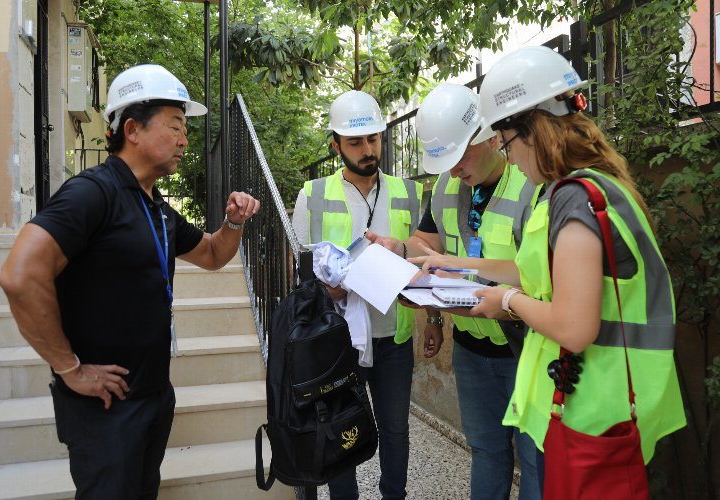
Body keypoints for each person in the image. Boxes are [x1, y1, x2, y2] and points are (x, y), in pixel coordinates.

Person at [411, 46, 686, 489]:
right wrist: (453, 262)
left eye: (507, 142)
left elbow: (574, 327)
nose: (512, 158)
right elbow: (537, 272)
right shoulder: (591, 187)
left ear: (533, 131)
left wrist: (506, 301)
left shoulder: (575, 199)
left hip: (597, 406)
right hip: (603, 400)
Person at [0, 64, 260, 499]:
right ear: (133, 129)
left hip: (153, 395)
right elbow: (19, 275)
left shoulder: (155, 206)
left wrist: (233, 223)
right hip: (105, 408)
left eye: (185, 129)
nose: (184, 139)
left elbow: (213, 255)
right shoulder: (93, 193)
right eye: (175, 126)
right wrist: (70, 369)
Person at [368, 83, 541, 500]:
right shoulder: (446, 187)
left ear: (490, 137)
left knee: (536, 459)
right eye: (444, 161)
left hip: (527, 348)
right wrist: (399, 247)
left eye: (459, 156)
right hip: (471, 349)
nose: (453, 170)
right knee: (486, 450)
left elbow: (545, 276)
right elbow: (427, 245)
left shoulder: (532, 183)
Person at [291, 89, 422, 500]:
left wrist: (432, 318)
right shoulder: (311, 196)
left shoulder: (408, 192)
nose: (368, 150)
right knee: (339, 429)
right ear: (335, 144)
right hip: (338, 339)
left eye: (374, 139)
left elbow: (424, 259)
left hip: (394, 337)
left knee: (396, 430)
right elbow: (300, 275)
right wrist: (323, 287)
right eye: (355, 142)